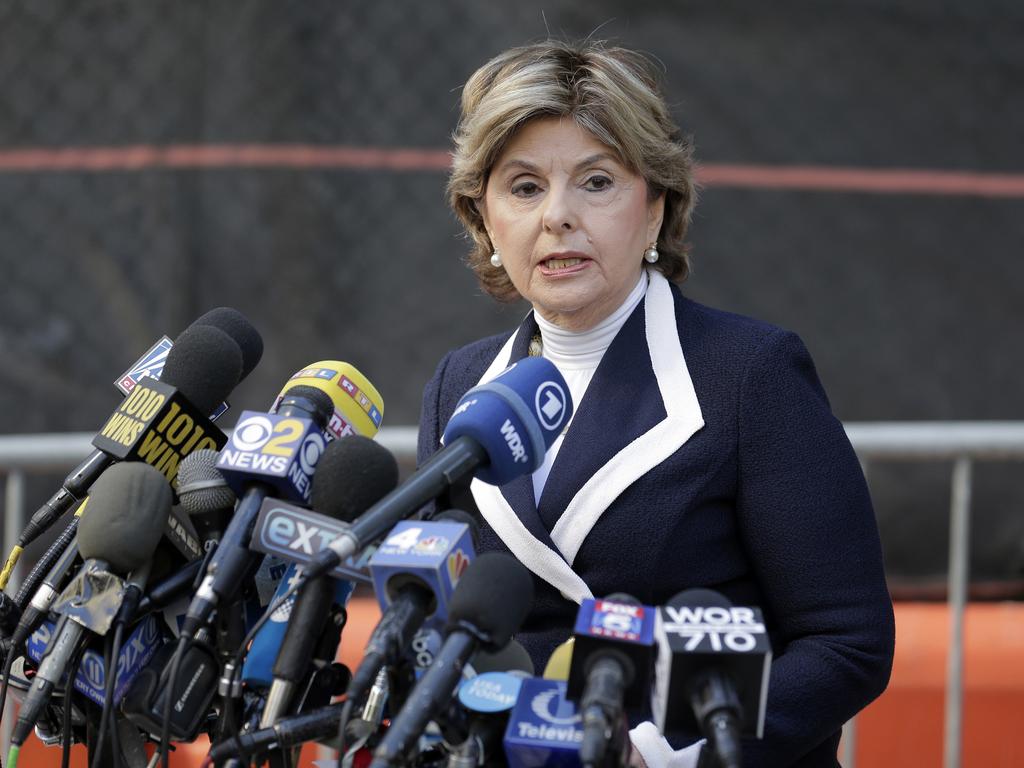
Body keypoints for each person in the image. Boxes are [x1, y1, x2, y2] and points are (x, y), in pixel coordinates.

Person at [417, 39, 894, 767]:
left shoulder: (749, 375)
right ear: (483, 220)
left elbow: (845, 642)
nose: (558, 217)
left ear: (655, 207)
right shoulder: (459, 388)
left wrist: (662, 754)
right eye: (523, 187)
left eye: (597, 182)